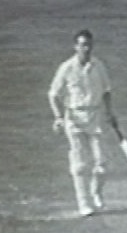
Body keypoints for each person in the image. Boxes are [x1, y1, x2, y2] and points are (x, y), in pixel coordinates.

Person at [48, 29, 117, 217]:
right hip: (75, 118)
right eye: (82, 45)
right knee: (80, 164)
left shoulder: (99, 66)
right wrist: (58, 117)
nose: (86, 48)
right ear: (75, 46)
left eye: (89, 45)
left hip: (95, 116)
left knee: (102, 163)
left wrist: (110, 113)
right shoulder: (67, 68)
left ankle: (96, 192)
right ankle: (83, 203)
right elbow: (53, 94)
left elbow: (106, 91)